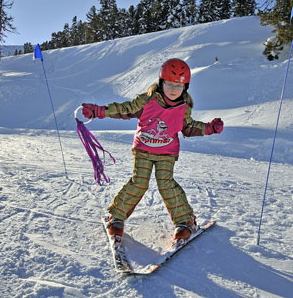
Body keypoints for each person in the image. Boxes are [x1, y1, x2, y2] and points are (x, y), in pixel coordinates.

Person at [82, 58, 224, 242]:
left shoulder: (183, 107)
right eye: (169, 85)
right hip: (143, 149)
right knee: (139, 182)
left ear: (185, 88)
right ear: (161, 83)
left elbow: (188, 127)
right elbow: (125, 109)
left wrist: (209, 128)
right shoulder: (147, 100)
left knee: (165, 183)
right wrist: (99, 111)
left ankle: (185, 221)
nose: (173, 90)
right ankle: (116, 217)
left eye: (178, 86)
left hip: (167, 152)